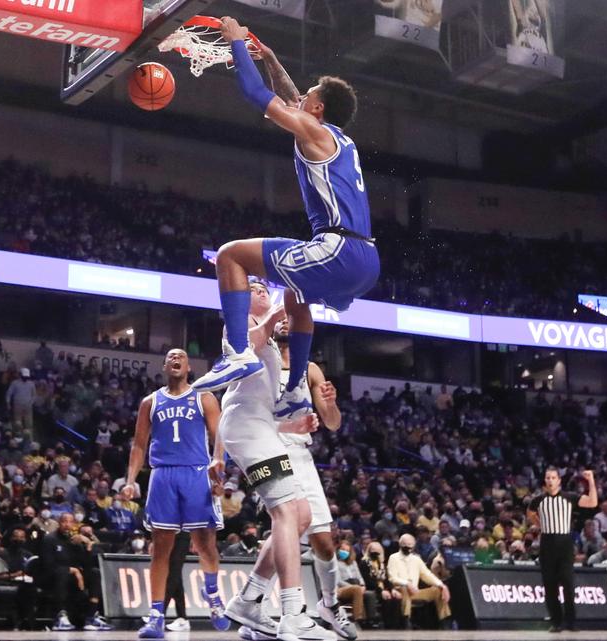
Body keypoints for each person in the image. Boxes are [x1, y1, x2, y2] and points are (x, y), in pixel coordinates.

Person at [192, 18, 379, 428]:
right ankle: (295, 392)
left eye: (310, 95)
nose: (301, 98)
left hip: (338, 249)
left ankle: (237, 352)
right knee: (296, 296)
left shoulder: (312, 129)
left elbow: (255, 92)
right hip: (366, 260)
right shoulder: (337, 137)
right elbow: (291, 95)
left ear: (318, 109)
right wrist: (272, 58)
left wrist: (238, 44)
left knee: (230, 257)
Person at [213, 282, 332, 641]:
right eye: (254, 287)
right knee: (286, 513)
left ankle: (250, 598)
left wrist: (294, 424)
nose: (263, 291)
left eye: (266, 288)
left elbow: (260, 400)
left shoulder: (270, 343)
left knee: (303, 515)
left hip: (260, 426)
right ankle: (292, 612)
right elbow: (247, 346)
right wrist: (279, 312)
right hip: (246, 428)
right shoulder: (238, 323)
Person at [124, 348, 227, 639]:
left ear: (189, 365)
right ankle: (156, 615)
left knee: (205, 543)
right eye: (170, 357)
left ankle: (214, 598)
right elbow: (139, 445)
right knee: (161, 548)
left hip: (196, 472)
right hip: (163, 474)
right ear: (164, 366)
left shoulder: (204, 397)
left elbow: (219, 438)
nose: (175, 359)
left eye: (180, 356)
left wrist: (219, 471)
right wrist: (131, 479)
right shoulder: (150, 401)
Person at [271, 311, 354, 638]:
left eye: (290, 318)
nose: (285, 322)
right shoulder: (262, 363)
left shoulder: (311, 368)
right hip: (270, 452)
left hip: (301, 456)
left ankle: (329, 604)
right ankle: (270, 610)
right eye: (279, 318)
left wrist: (331, 404)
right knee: (284, 533)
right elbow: (249, 419)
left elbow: (332, 423)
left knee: (324, 544)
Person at [527, 468, 598, 632]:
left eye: (553, 477)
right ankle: (556, 622)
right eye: (547, 478)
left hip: (564, 542)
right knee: (550, 585)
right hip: (547, 543)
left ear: (559, 480)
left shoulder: (569, 497)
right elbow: (530, 513)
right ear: (545, 481)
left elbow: (593, 502)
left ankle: (571, 622)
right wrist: (540, 525)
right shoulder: (538, 500)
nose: (550, 480)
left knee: (568, 583)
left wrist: (591, 481)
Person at [386, 533, 452, 630]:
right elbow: (392, 577)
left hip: (416, 592)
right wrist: (407, 583)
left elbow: (427, 575)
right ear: (400, 545)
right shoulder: (393, 558)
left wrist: (441, 585)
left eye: (410, 545)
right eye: (405, 545)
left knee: (438, 590)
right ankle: (406, 620)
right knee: (405, 589)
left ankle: (444, 621)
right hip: (400, 591)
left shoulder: (416, 559)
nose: (408, 547)